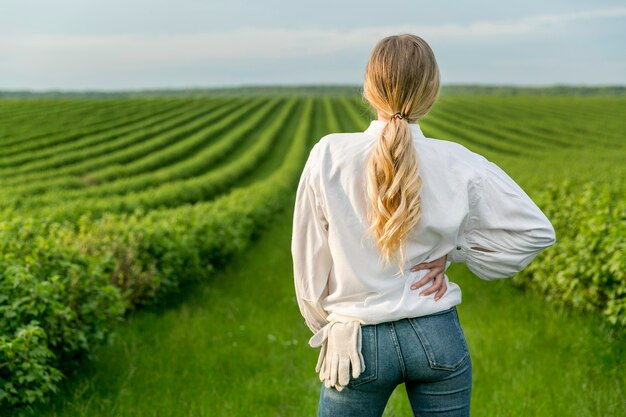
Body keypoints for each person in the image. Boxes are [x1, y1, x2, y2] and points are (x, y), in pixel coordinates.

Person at [290, 33, 556, 417]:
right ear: (431, 92)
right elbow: (536, 231)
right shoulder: (459, 161)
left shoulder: (328, 155)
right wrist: (456, 252)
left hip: (356, 338)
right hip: (436, 334)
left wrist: (331, 326)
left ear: (368, 88)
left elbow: (308, 265)